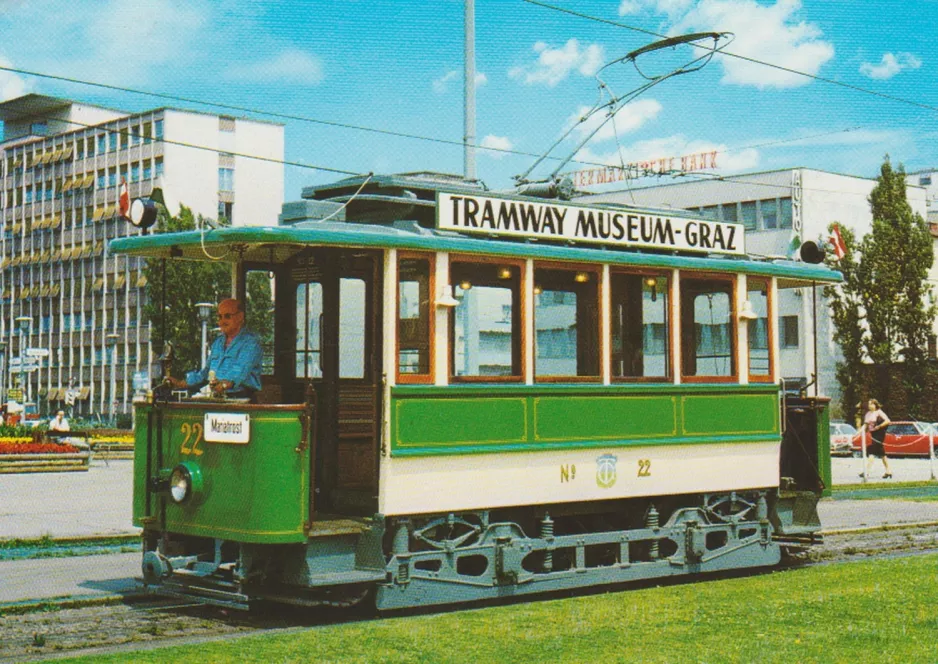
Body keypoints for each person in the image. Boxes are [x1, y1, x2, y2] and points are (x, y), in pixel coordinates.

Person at [168, 298, 262, 399]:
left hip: (242, 401)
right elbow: (205, 374)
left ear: (240, 317)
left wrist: (224, 384)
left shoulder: (251, 343)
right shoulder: (217, 344)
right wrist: (181, 383)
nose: (222, 321)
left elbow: (239, 371)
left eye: (227, 316)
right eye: (219, 317)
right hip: (219, 399)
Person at [861, 398, 892, 479]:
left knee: (872, 451)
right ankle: (888, 471)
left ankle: (866, 471)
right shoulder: (868, 414)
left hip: (879, 433)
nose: (869, 405)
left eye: (871, 404)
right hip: (873, 434)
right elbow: (866, 424)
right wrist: (862, 431)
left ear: (875, 405)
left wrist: (879, 426)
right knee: (881, 453)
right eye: (869, 404)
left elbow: (888, 421)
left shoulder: (879, 412)